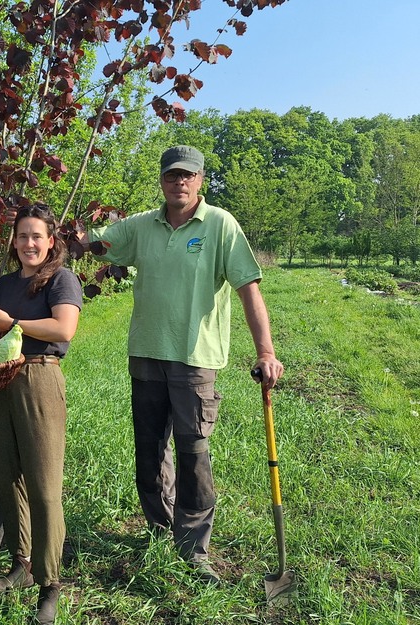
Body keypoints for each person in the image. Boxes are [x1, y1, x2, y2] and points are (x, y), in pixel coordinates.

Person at [81, 145, 285, 584]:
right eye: (172, 175)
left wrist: (266, 351)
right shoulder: (142, 226)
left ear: (200, 180)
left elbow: (249, 288)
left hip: (195, 359)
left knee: (193, 452)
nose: (180, 182)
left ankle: (193, 546)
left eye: (188, 176)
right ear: (162, 180)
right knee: (150, 449)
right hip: (147, 354)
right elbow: (93, 242)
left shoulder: (219, 225)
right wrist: (45, 227)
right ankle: (159, 528)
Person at [0, 204, 82, 625]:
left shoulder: (60, 279)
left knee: (43, 486)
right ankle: (21, 564)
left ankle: (49, 582)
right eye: (22, 236)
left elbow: (63, 329)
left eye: (37, 236)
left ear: (51, 240)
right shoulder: (1, 284)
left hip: (39, 379)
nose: (29, 243)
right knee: (5, 475)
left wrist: (14, 322)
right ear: (13, 241)